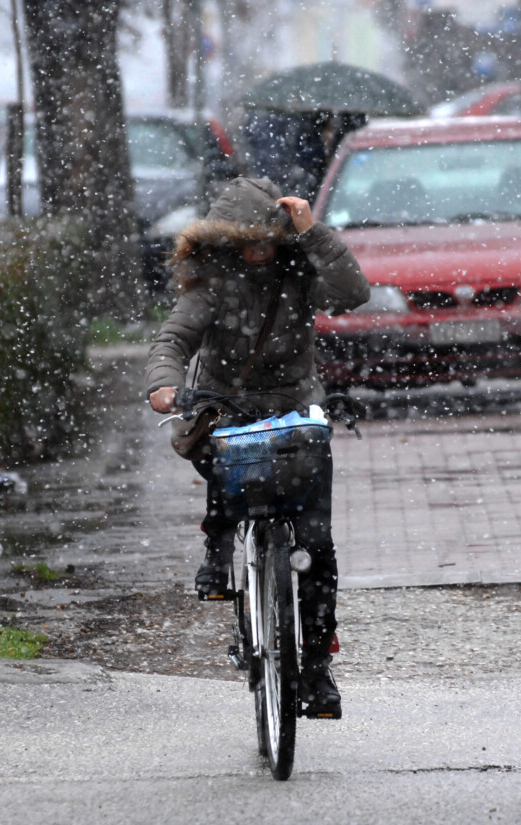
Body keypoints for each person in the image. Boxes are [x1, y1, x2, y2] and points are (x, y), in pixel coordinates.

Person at [145, 176, 370, 713]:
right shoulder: (213, 284)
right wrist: (162, 385)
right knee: (223, 469)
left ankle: (316, 669)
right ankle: (218, 546)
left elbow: (353, 292)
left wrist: (313, 232)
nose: (258, 250)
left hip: (296, 410)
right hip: (226, 407)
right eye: (245, 240)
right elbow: (173, 339)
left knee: (316, 546)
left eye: (268, 239)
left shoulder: (300, 274)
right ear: (222, 242)